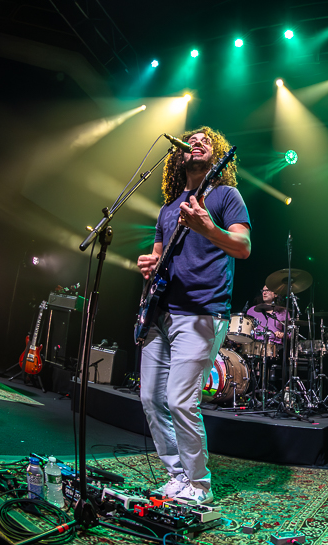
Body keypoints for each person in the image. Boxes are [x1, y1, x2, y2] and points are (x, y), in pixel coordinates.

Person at [136, 126, 251, 505]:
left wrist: (207, 226)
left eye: (206, 139)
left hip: (202, 312)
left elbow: (242, 246)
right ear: (179, 155)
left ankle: (199, 485)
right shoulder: (169, 207)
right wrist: (149, 265)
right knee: (151, 398)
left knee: (180, 400)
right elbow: (157, 257)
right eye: (192, 140)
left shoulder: (225, 196)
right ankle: (175, 475)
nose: (197, 142)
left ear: (217, 153)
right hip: (160, 314)